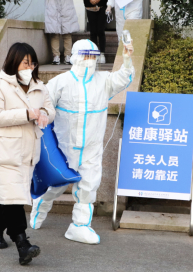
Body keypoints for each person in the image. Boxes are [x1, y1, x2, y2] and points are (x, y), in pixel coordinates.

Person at [29, 39, 135, 244]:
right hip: (63, 147)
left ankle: (80, 226)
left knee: (88, 186)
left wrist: (127, 60)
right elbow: (44, 106)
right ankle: (40, 206)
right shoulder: (60, 82)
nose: (89, 60)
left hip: (91, 147)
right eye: (85, 56)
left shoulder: (103, 80)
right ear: (76, 57)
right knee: (56, 186)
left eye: (93, 56)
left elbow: (123, 77)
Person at [0, 43, 55, 265]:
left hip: (28, 152)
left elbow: (50, 109)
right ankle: (23, 245)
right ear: (14, 61)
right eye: (26, 63)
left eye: (32, 63)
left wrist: (43, 114)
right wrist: (26, 114)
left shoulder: (39, 86)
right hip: (4, 151)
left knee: (10, 196)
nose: (30, 67)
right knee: (13, 198)